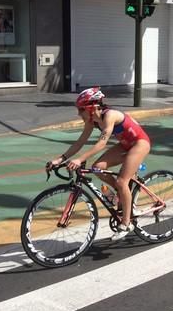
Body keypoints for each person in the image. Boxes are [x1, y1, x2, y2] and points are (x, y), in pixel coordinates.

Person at [47, 87, 151, 241]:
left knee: (122, 182)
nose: (78, 113)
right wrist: (60, 159)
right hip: (125, 144)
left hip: (139, 144)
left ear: (91, 107)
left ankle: (126, 223)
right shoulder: (91, 120)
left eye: (80, 110)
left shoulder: (109, 115)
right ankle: (121, 195)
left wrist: (80, 159)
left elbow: (101, 144)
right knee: (97, 168)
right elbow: (80, 142)